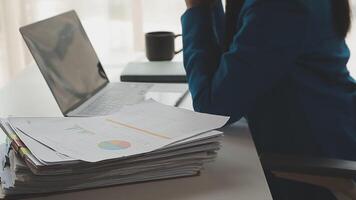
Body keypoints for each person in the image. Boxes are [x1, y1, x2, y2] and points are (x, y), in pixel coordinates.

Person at [181, 0, 356, 199]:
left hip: (320, 166)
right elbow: (229, 69)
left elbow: (212, 109)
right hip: (323, 137)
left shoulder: (278, 6)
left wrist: (197, 8)